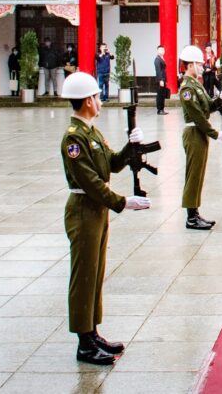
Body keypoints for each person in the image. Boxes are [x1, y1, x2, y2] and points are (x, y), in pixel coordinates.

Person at [59, 72, 151, 365]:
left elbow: (111, 162)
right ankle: (83, 342)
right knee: (83, 275)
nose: (99, 101)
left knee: (96, 271)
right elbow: (90, 182)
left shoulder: (92, 132)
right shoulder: (74, 138)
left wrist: (130, 146)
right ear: (87, 100)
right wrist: (123, 202)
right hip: (84, 209)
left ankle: (93, 331)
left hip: (96, 209)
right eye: (97, 97)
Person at [178, 45, 222, 230]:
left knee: (198, 174)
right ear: (190, 65)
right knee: (193, 174)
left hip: (200, 133)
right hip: (194, 132)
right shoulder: (186, 88)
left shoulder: (196, 84)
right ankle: (191, 217)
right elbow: (197, 116)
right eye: (199, 64)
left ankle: (195, 212)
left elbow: (208, 106)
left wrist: (221, 100)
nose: (202, 67)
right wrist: (215, 133)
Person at [154, 45, 169, 115]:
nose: (162, 51)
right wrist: (161, 80)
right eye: (160, 50)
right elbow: (158, 71)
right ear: (157, 51)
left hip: (163, 79)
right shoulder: (157, 59)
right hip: (161, 80)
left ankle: (162, 109)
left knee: (162, 95)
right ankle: (159, 110)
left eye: (163, 50)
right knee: (160, 95)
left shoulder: (162, 58)